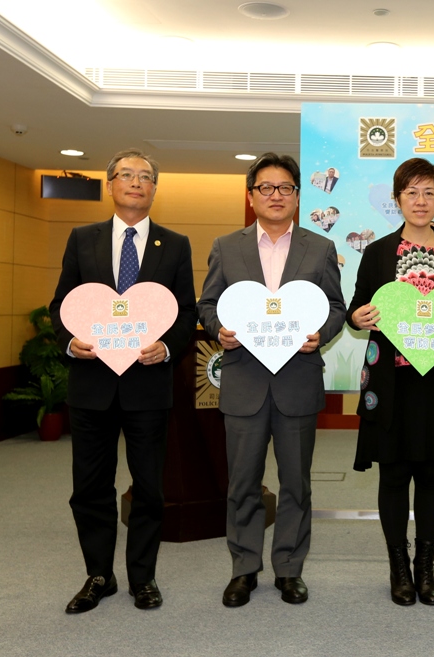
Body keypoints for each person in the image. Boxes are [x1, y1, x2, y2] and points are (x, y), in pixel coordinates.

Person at [49, 148, 197, 613]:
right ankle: (99, 575)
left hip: (147, 387)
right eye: (126, 175)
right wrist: (70, 342)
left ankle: (142, 577)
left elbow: (185, 311)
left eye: (145, 176)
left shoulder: (175, 244)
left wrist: (167, 347)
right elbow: (61, 305)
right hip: (92, 385)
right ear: (111, 184)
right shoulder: (82, 239)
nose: (136, 182)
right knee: (90, 488)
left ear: (155, 189)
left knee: (149, 487)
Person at [197, 153, 346, 608]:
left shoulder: (320, 248)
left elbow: (335, 307)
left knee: (296, 484)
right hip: (244, 383)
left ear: (298, 197)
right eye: (266, 187)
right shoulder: (227, 246)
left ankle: (289, 569)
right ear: (251, 196)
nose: (275, 195)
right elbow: (207, 304)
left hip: (297, 382)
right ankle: (244, 568)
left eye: (285, 188)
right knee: (242, 482)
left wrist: (321, 334)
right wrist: (218, 330)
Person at [348, 158, 434, 607]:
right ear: (397, 198)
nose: (421, 201)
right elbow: (357, 307)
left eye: (429, 193)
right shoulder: (378, 252)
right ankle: (398, 568)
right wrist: (358, 317)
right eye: (411, 193)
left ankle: (426, 569)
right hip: (392, 382)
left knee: (433, 476)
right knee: (394, 475)